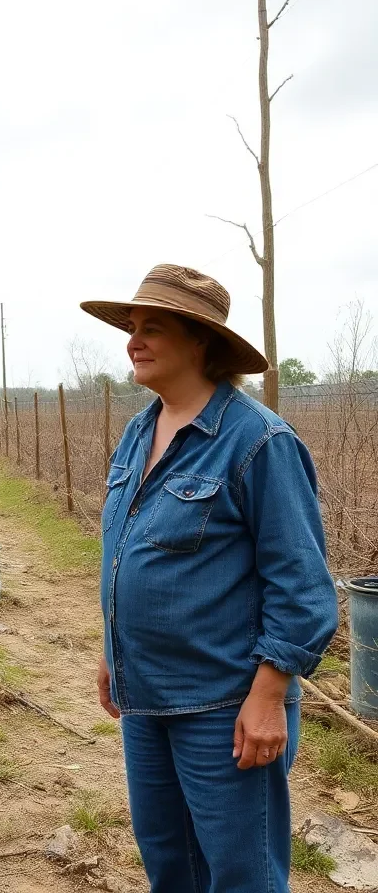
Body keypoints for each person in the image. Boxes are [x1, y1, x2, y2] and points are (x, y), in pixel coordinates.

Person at [81, 264, 338, 893]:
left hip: (224, 708)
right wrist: (115, 652)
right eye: (131, 327)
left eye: (152, 328)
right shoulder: (140, 430)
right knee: (170, 865)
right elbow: (124, 550)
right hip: (145, 700)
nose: (132, 340)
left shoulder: (259, 441)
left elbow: (303, 586)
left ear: (201, 342)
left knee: (241, 875)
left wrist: (269, 695)